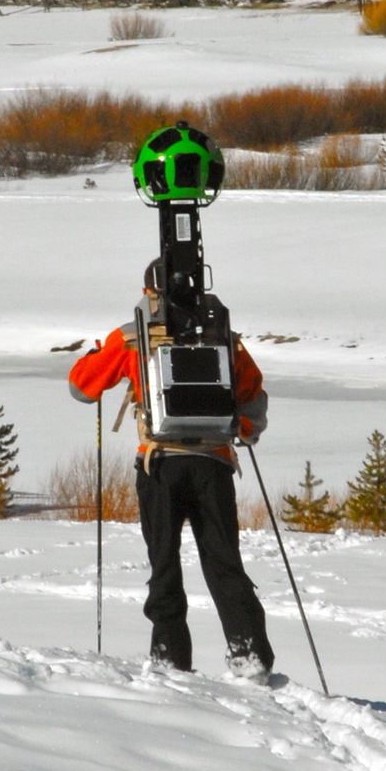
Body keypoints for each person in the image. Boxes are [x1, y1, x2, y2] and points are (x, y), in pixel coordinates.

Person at [69, 261, 275, 682]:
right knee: (223, 562)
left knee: (163, 562)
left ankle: (170, 657)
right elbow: (253, 393)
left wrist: (92, 357)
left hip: (160, 463)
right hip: (214, 464)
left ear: (148, 292)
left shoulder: (133, 336)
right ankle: (249, 653)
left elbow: (82, 387)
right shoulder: (223, 337)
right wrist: (244, 430)